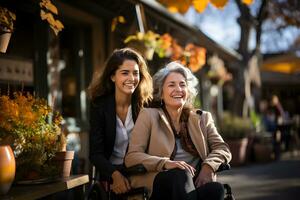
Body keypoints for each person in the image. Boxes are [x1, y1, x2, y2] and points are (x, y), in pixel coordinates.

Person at [125, 61, 232, 200]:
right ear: (161, 93)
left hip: (193, 186)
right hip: (159, 186)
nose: (178, 89)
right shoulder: (148, 115)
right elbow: (132, 157)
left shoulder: (203, 118)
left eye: (182, 84)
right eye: (171, 85)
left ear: (188, 92)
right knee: (180, 174)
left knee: (216, 189)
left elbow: (222, 148)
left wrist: (209, 167)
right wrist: (166, 163)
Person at [88, 48, 153, 197]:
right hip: (111, 174)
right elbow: (95, 153)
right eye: (125, 73)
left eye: (135, 73)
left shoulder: (146, 105)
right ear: (112, 76)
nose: (132, 78)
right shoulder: (99, 106)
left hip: (141, 171)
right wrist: (114, 174)